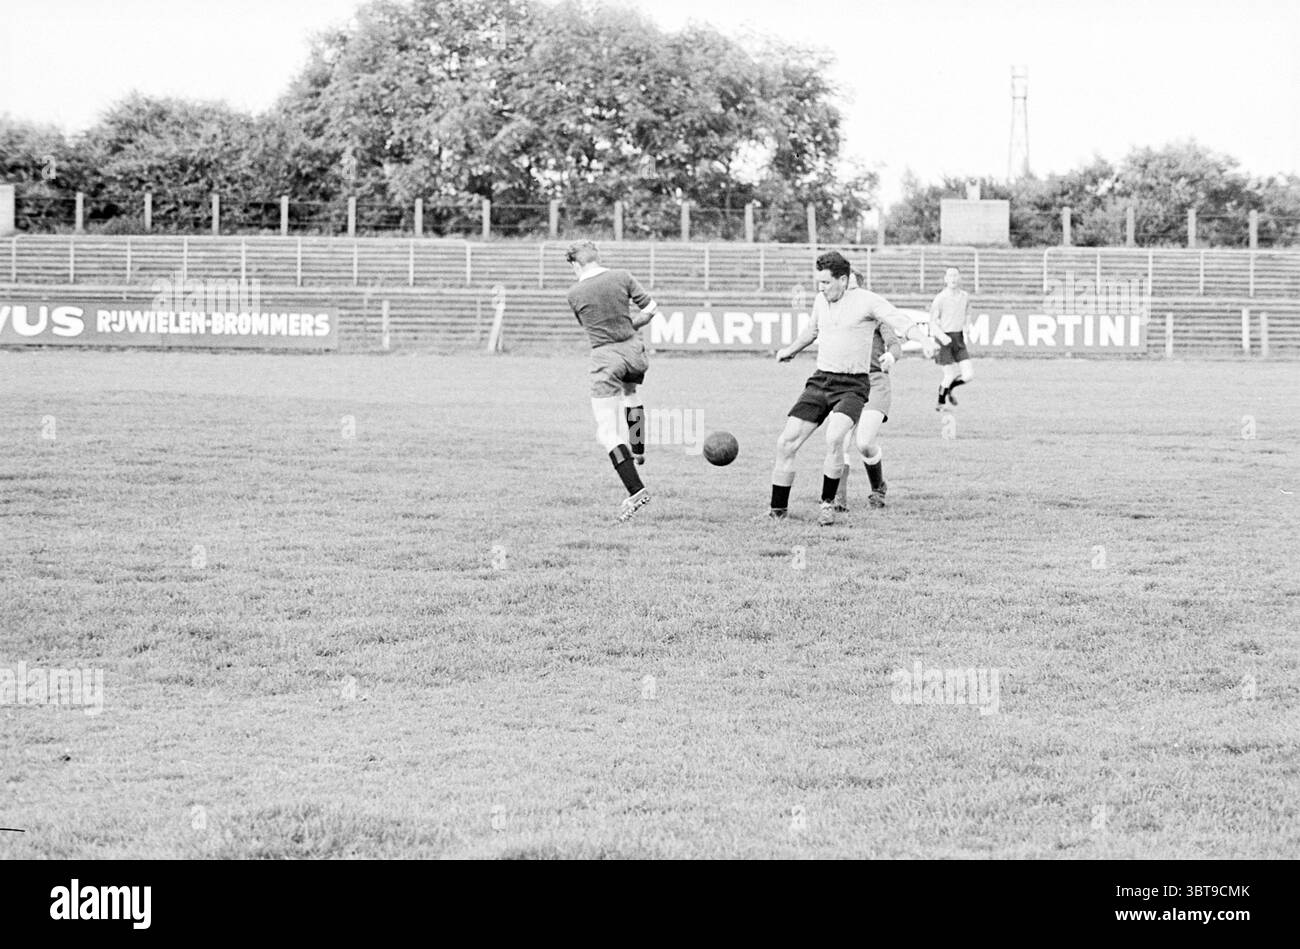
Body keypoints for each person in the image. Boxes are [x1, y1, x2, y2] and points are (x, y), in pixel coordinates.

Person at [771, 251, 937, 526]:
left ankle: (827, 505)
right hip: (821, 379)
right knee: (786, 442)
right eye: (818, 283)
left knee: (835, 438)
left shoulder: (867, 301)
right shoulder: (820, 301)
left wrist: (924, 340)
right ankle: (776, 511)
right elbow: (812, 331)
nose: (821, 289)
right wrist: (790, 351)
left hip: (852, 384)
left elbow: (899, 320)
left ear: (844, 280)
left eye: (825, 283)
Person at [564, 240, 661, 522]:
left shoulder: (575, 292)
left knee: (605, 431)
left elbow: (590, 327)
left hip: (606, 358)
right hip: (634, 352)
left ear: (576, 264)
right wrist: (633, 325)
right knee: (631, 393)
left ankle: (636, 490)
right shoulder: (622, 275)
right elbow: (652, 307)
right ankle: (639, 448)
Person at [833, 271, 902, 511]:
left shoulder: (875, 315)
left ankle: (878, 487)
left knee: (863, 443)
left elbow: (894, 342)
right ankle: (838, 500)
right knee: (838, 441)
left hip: (874, 382)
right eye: (844, 287)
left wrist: (891, 355)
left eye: (851, 288)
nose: (847, 292)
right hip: (846, 383)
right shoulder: (835, 314)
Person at [930, 267, 973, 409]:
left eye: (955, 275)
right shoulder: (940, 299)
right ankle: (940, 403)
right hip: (945, 339)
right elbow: (933, 322)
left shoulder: (964, 296)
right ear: (945, 279)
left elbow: (968, 313)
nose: (953, 278)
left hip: (958, 338)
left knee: (968, 375)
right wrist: (941, 336)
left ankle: (950, 389)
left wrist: (967, 326)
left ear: (959, 278)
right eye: (950, 276)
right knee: (949, 374)